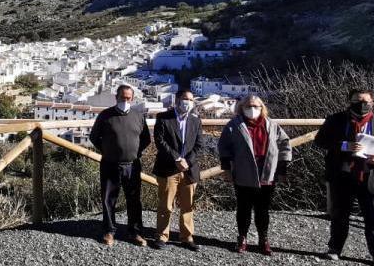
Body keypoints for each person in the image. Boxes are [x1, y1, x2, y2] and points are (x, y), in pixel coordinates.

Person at [314, 88, 374, 266]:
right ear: (350, 102)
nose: (362, 105)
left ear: (372, 102)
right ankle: (335, 248)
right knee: (339, 215)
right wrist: (343, 145)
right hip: (342, 175)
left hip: (371, 176)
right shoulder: (336, 119)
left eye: (366, 101)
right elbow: (320, 141)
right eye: (357, 101)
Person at [218, 94, 291, 255]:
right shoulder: (234, 125)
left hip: (267, 173)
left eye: (256, 106)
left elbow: (285, 144)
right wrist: (227, 170)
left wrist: (282, 169)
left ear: (262, 108)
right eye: (248, 106)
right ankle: (242, 238)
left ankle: (263, 239)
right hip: (244, 174)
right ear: (241, 108)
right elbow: (224, 147)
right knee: (243, 208)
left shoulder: (272, 125)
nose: (252, 109)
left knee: (263, 209)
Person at [89, 84, 151, 246]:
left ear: (132, 99)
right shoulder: (105, 115)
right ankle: (109, 231)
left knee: (134, 199)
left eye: (128, 98)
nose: (125, 100)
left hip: (132, 165)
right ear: (116, 97)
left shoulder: (138, 116)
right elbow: (94, 137)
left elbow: (146, 139)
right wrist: (108, 151)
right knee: (109, 199)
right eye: (122, 97)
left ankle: (135, 232)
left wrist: (136, 152)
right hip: (110, 164)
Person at [151, 89, 205, 251]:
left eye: (190, 100)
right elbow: (160, 142)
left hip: (189, 169)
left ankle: (187, 237)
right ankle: (162, 236)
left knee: (188, 206)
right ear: (177, 100)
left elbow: (199, 144)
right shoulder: (163, 118)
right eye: (184, 99)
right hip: (168, 168)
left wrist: (187, 161)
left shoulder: (196, 121)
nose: (187, 102)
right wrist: (177, 159)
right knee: (165, 205)